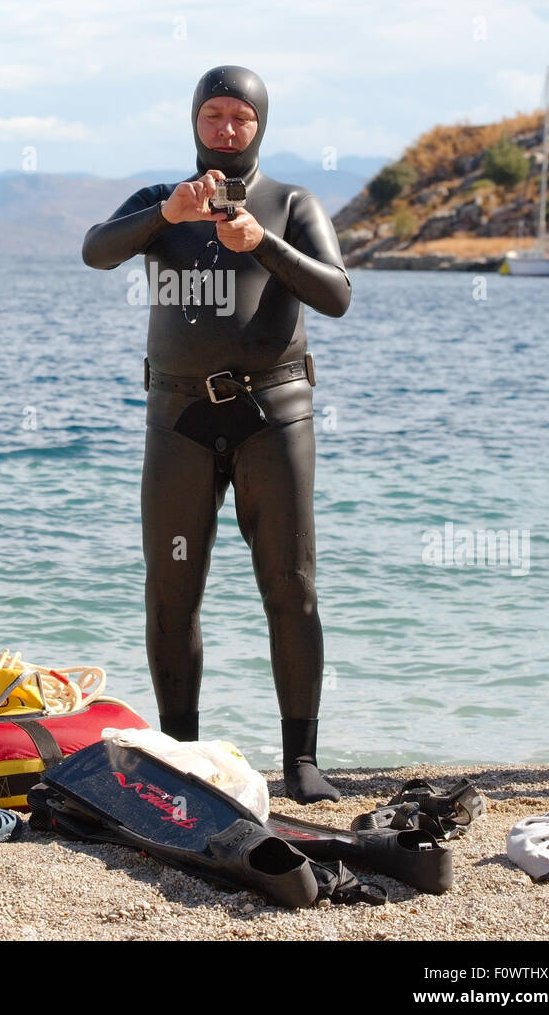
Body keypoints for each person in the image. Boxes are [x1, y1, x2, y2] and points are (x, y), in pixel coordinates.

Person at [82, 65, 351, 803]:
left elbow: (337, 295)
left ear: (261, 124)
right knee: (171, 592)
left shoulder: (292, 203)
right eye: (214, 116)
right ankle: (181, 753)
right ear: (194, 121)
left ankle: (301, 760)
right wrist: (168, 216)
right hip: (179, 421)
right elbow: (96, 250)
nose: (227, 130)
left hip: (274, 416)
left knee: (291, 588)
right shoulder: (160, 202)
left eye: (241, 117)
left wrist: (262, 243)